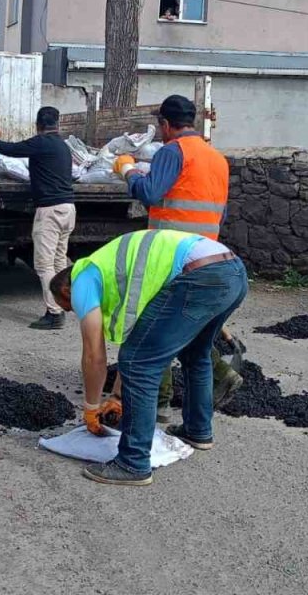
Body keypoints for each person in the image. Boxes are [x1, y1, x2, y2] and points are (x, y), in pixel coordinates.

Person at [51, 229, 248, 486]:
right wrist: (117, 397)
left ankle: (133, 463)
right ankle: (198, 431)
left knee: (139, 363)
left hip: (202, 275)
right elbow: (138, 338)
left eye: (69, 307)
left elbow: (94, 356)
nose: (75, 311)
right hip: (232, 269)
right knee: (195, 353)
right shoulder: (119, 271)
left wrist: (90, 408)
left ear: (67, 291)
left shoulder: (82, 279)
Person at [115, 94, 244, 423]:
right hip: (207, 254)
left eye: (160, 126)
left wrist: (127, 170)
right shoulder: (217, 159)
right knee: (191, 337)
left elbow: (150, 193)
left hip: (170, 253)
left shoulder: (172, 151)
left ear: (165, 125)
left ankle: (157, 401)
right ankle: (213, 388)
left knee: (155, 326)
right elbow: (221, 210)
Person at [0, 106, 76, 330]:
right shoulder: (63, 147)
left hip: (50, 211)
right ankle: (64, 304)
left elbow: (12, 149)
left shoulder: (41, 143)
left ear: (38, 126)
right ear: (58, 124)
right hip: (68, 209)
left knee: (44, 265)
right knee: (58, 261)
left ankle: (54, 313)